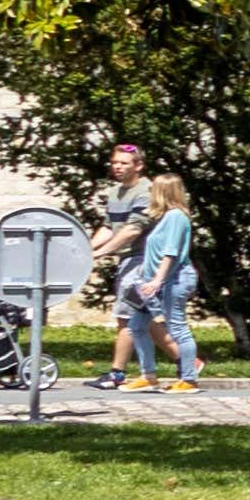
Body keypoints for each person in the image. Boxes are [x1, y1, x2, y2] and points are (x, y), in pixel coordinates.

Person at [109, 177, 203, 393]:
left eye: (154, 190)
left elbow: (170, 253)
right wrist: (143, 278)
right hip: (151, 282)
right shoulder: (163, 217)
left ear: (163, 192)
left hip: (173, 280)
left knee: (178, 328)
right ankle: (148, 376)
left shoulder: (176, 217)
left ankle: (189, 379)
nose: (150, 193)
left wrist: (157, 281)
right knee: (136, 327)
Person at [82, 147, 159, 387]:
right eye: (115, 162)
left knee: (126, 317)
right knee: (145, 319)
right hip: (127, 260)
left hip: (141, 260)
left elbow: (133, 230)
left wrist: (101, 253)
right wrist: (87, 249)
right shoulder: (115, 192)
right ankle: (188, 362)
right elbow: (110, 226)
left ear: (138, 166)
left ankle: (117, 374)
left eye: (124, 163)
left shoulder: (146, 191)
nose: (118, 167)